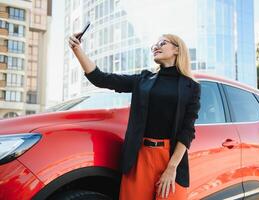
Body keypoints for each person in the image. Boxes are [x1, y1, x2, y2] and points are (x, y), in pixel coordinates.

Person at [69, 33, 201, 200]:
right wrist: (77, 49)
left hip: (170, 158)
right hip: (139, 157)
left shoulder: (191, 86)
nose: (156, 47)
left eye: (162, 43)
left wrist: (171, 168)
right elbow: (102, 79)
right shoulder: (143, 79)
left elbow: (187, 130)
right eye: (154, 45)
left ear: (177, 49)